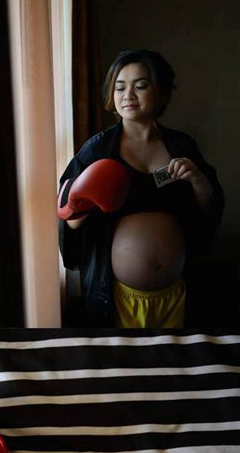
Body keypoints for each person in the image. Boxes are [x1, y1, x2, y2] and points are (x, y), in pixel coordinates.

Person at [59, 49, 224, 328]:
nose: (128, 95)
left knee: (176, 368)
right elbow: (70, 219)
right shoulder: (99, 148)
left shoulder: (181, 146)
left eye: (141, 86)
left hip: (178, 292)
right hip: (115, 296)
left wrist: (197, 178)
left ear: (161, 94)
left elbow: (208, 209)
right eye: (120, 87)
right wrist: (86, 195)